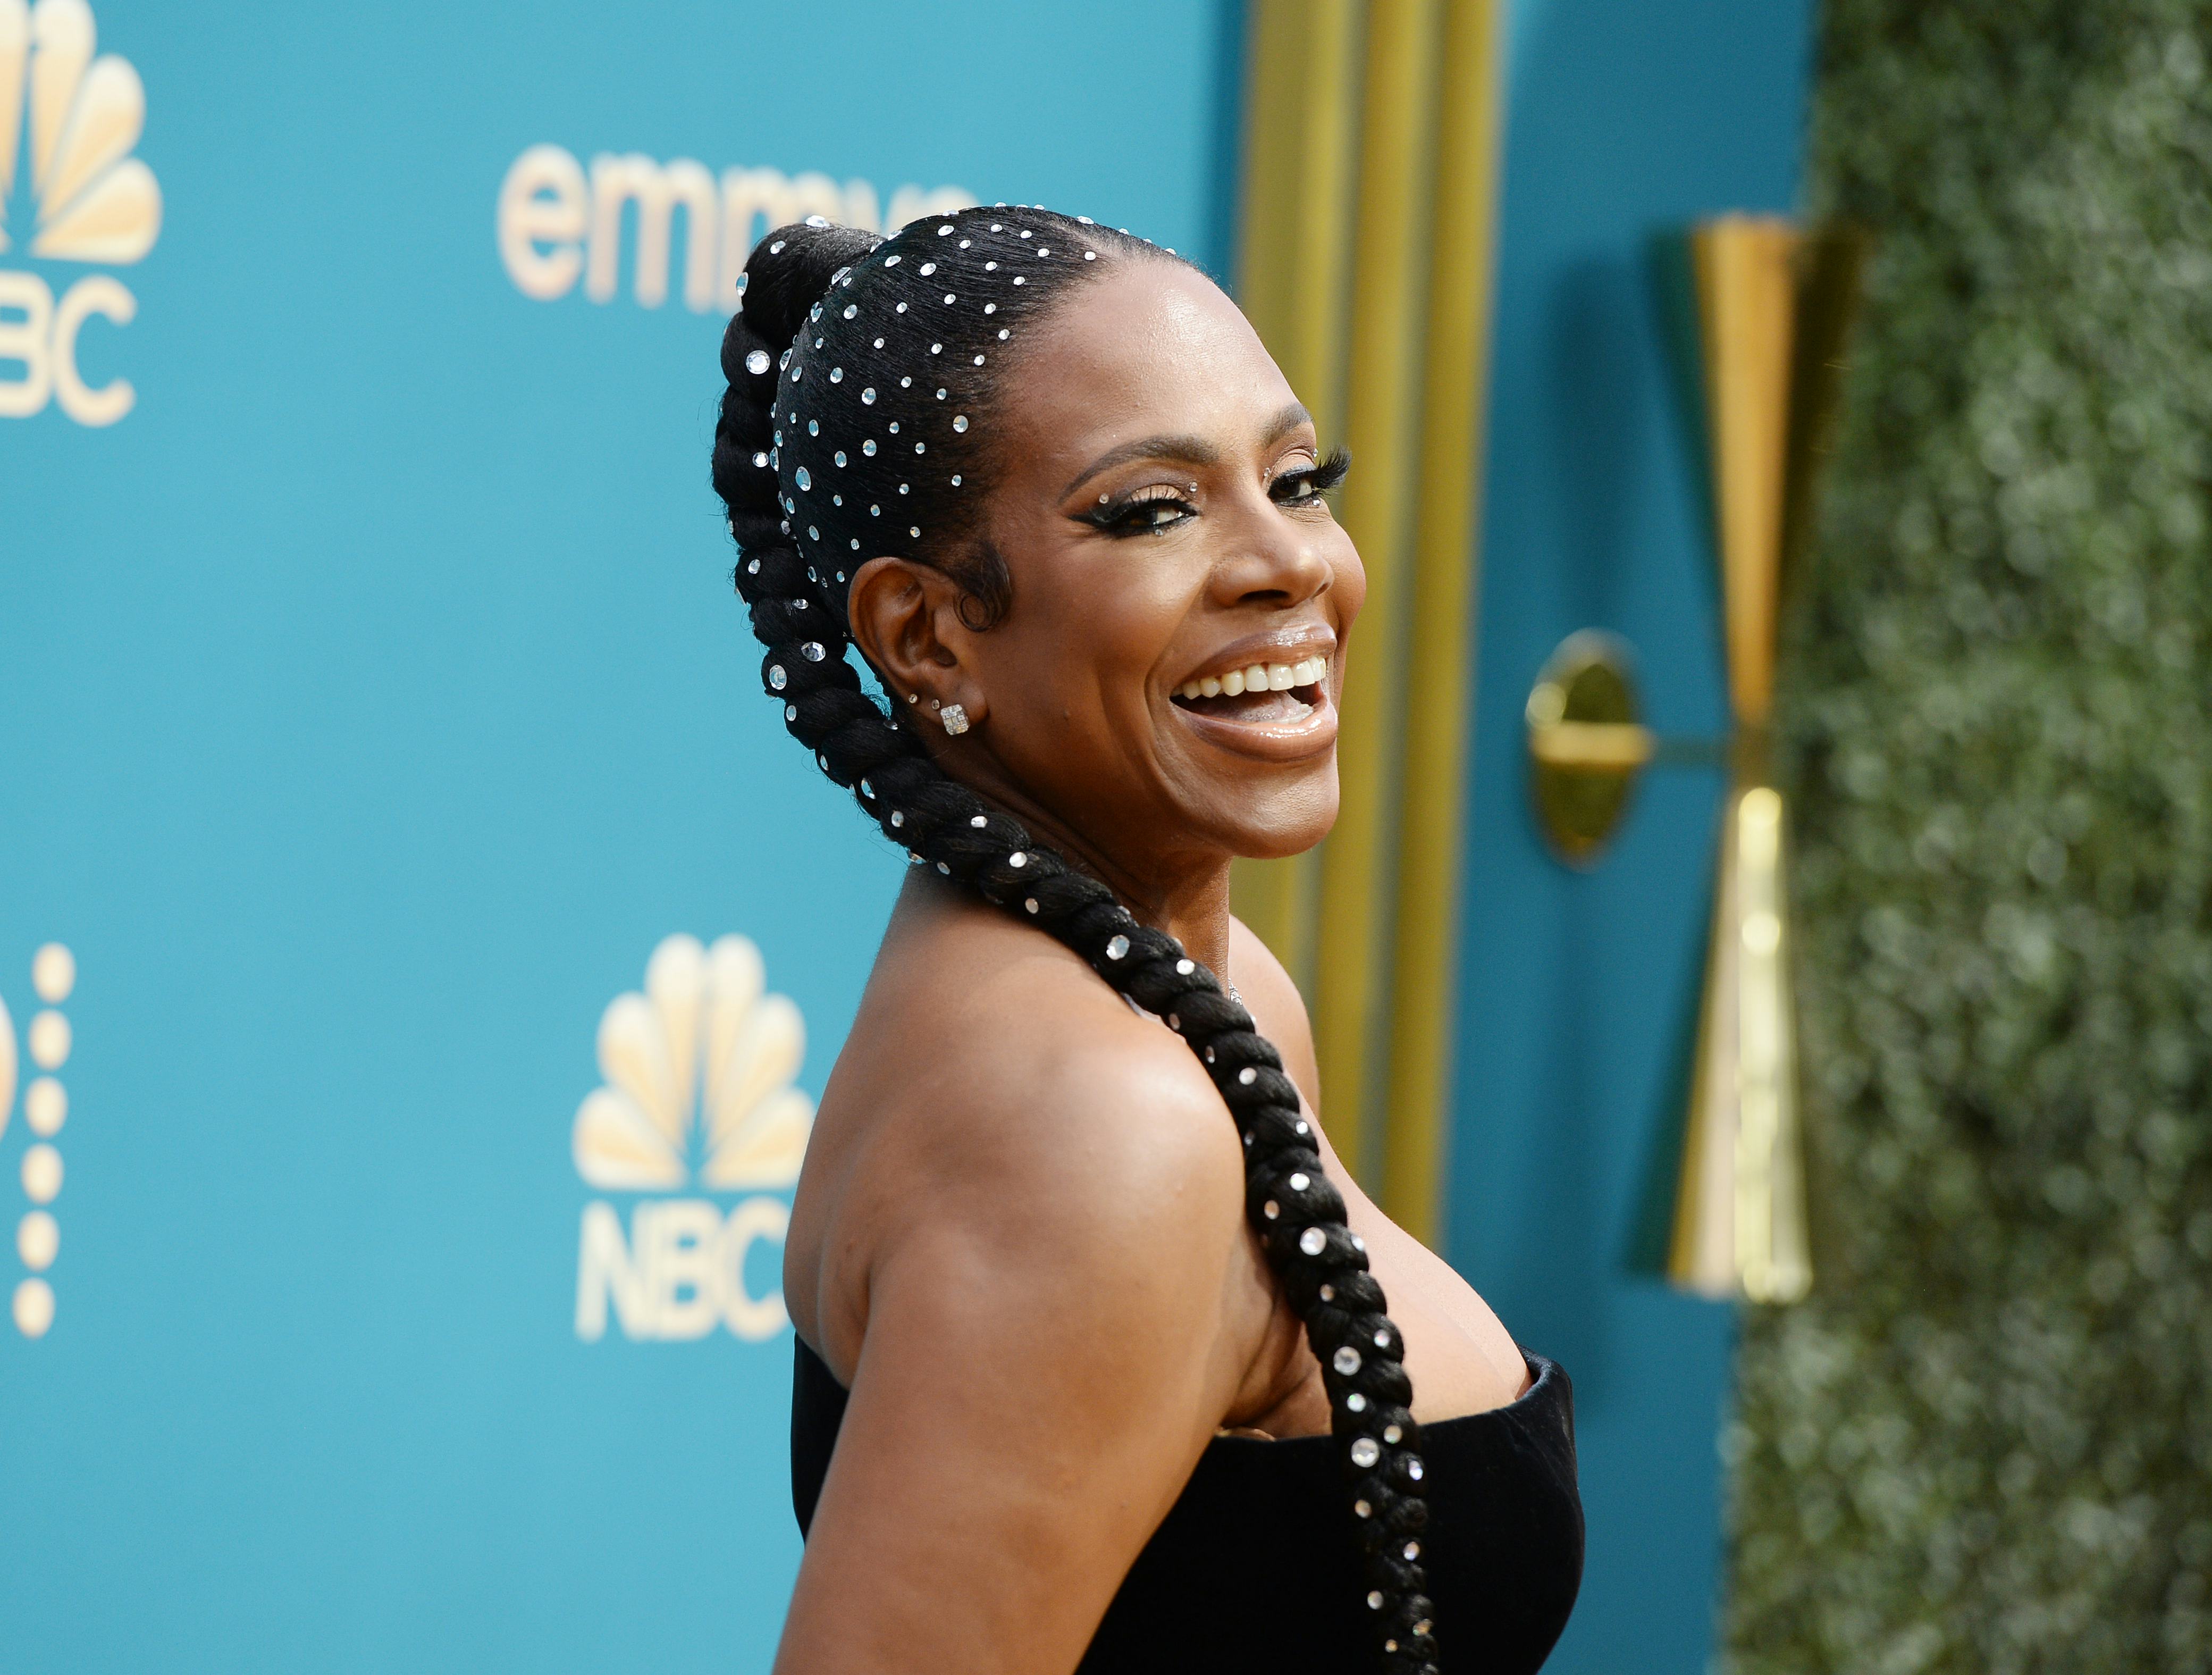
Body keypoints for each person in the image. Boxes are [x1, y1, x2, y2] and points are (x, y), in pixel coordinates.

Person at [709, 206, 1582, 1675]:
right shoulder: (1095, 1128)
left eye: (1298, 481)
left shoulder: (1191, 992)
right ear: (925, 638)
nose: (1284, 564)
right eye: (1151, 510)